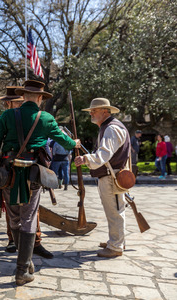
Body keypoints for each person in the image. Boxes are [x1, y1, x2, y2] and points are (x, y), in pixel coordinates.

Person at [0, 80, 79, 285]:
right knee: (28, 217)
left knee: (14, 217)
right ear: (40, 98)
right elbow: (66, 143)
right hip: (33, 174)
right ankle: (22, 268)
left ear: (23, 96)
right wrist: (75, 143)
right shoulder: (46, 118)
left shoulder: (8, 115)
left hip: (8, 174)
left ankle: (24, 263)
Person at [0, 86, 54, 259]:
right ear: (9, 103)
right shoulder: (0, 120)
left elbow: (43, 143)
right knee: (12, 208)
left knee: (31, 211)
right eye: (17, 102)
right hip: (9, 170)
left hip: (32, 168)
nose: (20, 104)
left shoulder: (35, 117)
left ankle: (34, 243)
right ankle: (13, 240)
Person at [75, 98, 131, 258]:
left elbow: (103, 155)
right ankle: (117, 240)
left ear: (105, 111)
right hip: (113, 174)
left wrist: (85, 159)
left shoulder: (111, 129)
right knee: (116, 210)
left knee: (114, 212)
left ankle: (115, 246)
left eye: (95, 110)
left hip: (111, 176)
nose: (91, 113)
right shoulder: (111, 127)